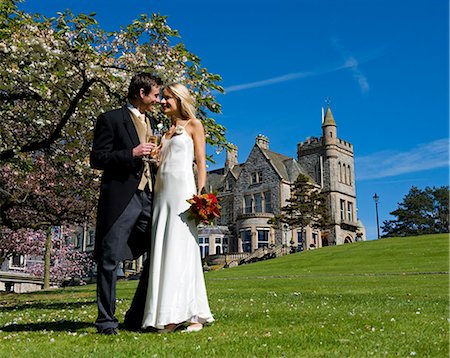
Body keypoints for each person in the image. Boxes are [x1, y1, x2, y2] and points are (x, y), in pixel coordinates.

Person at [139, 83, 214, 333]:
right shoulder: (164, 132)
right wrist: (156, 156)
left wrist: (202, 197)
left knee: (182, 249)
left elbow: (201, 162)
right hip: (162, 193)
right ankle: (165, 313)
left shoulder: (194, 125)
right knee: (163, 247)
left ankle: (188, 315)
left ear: (180, 100)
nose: (163, 102)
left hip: (183, 193)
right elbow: (162, 164)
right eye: (163, 98)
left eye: (168, 98)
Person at [90, 73, 162, 335]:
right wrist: (130, 153)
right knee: (109, 259)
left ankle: (135, 314)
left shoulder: (152, 122)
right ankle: (106, 321)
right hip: (122, 197)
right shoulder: (111, 119)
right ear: (141, 93)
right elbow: (97, 158)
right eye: (155, 95)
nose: (158, 100)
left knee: (158, 252)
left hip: (149, 196)